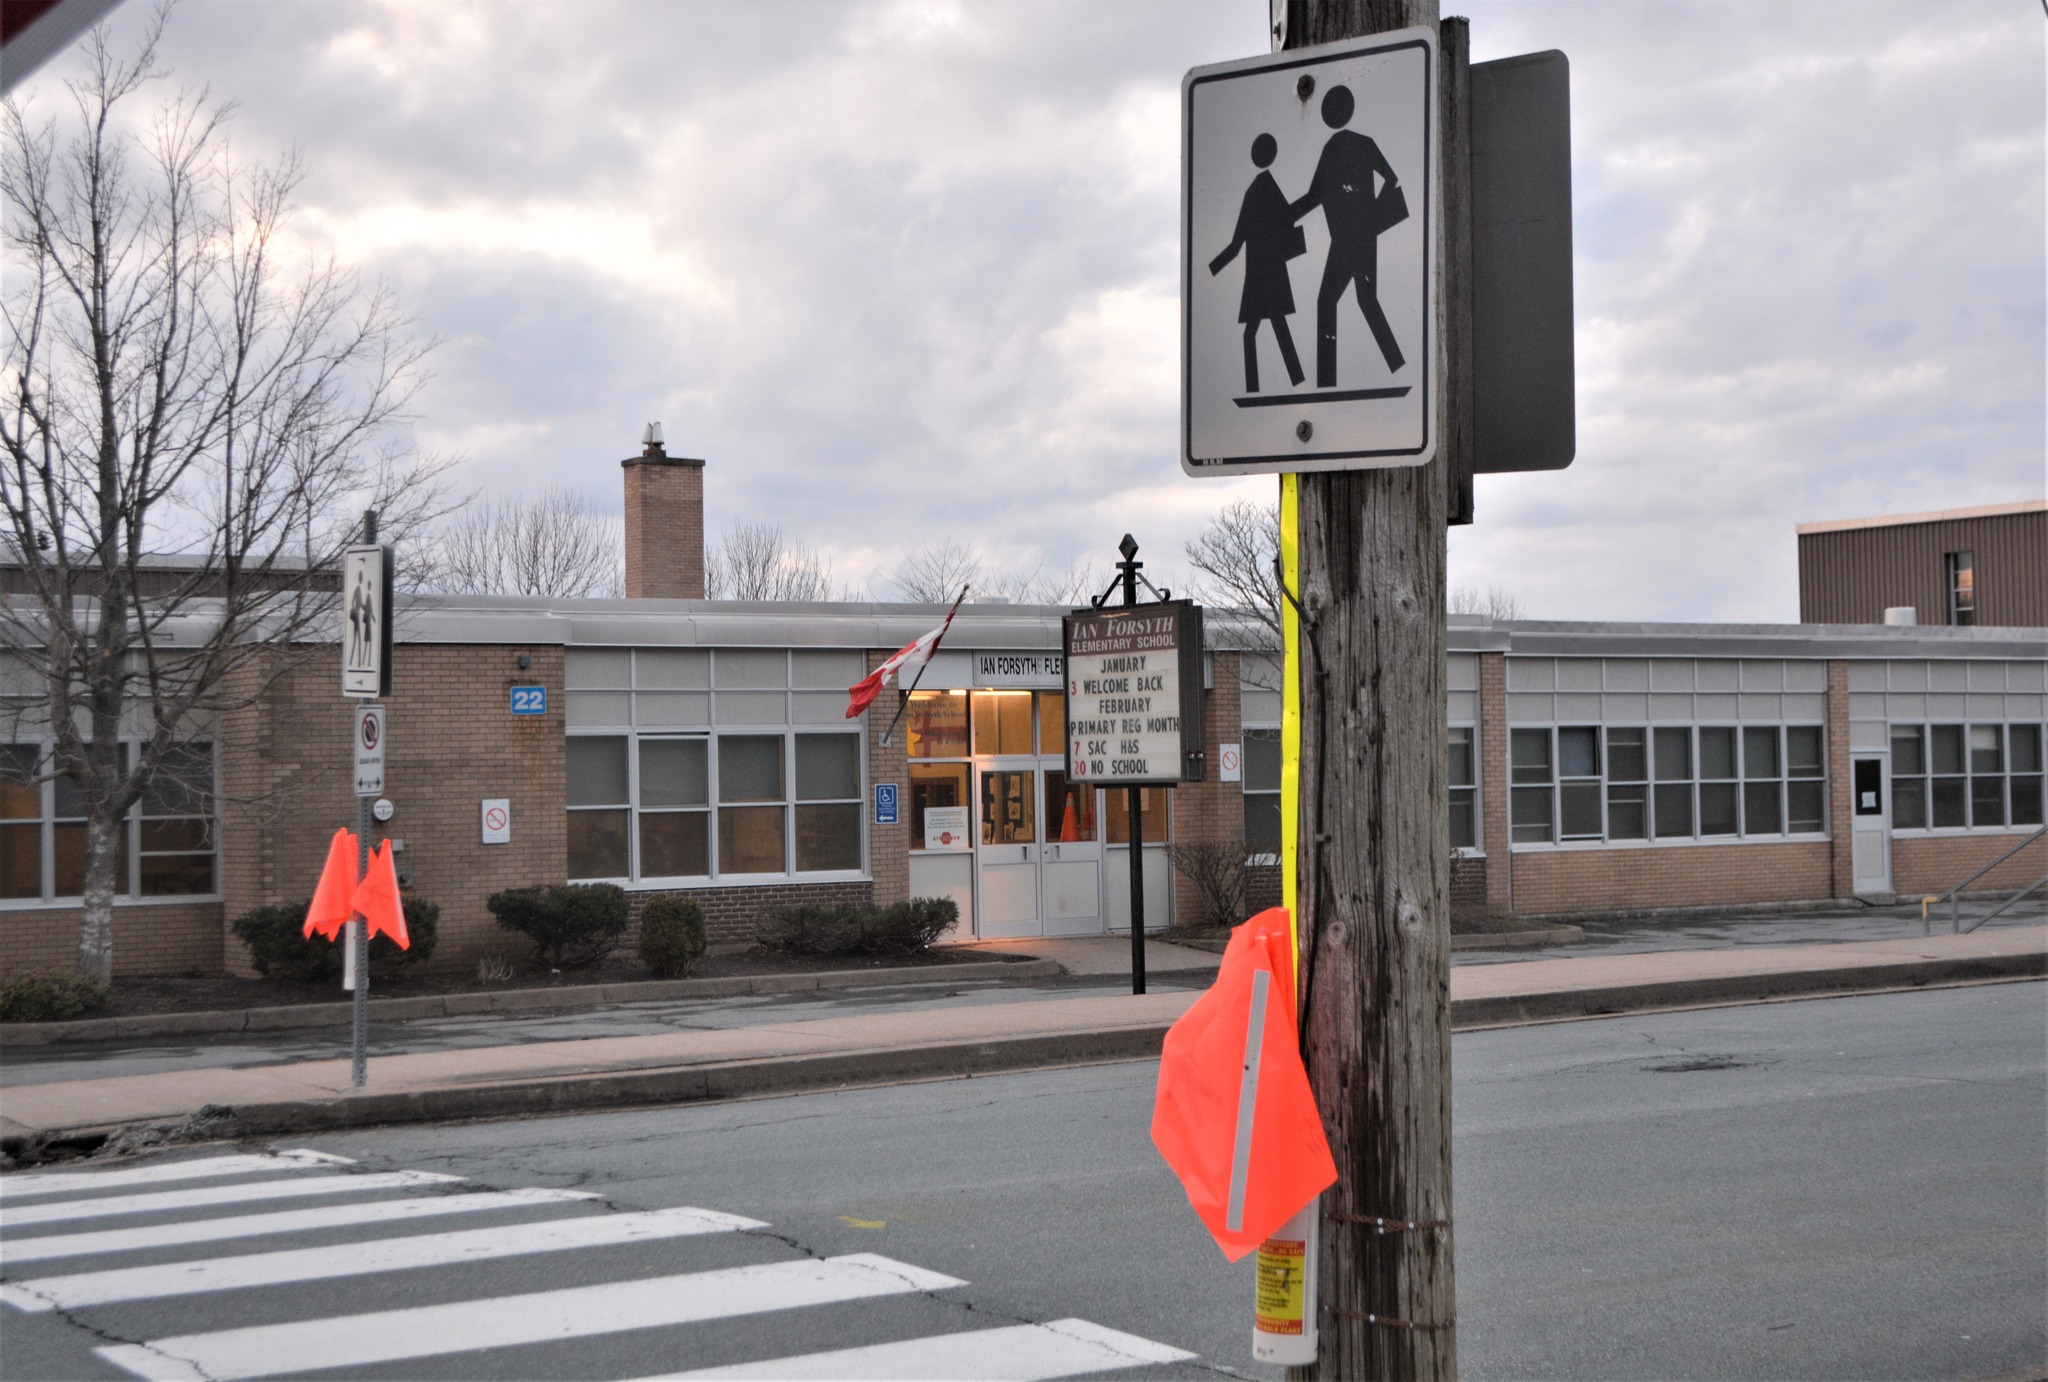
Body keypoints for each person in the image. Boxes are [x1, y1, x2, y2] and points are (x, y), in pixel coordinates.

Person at [1289, 84, 1406, 385]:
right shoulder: (1364, 144)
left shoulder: (1333, 149)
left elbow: (1313, 196)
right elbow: (1392, 181)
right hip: (1362, 240)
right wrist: (1371, 220)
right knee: (1367, 302)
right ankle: (1398, 365)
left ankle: (1327, 382)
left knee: (1327, 302)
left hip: (1345, 242)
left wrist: (1283, 217)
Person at [1209, 133, 1306, 394]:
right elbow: (1286, 218)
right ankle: (1284, 382)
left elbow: (1236, 244)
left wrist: (1213, 268)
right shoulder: (1264, 187)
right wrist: (1210, 270)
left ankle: (1283, 384)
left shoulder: (1257, 189)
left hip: (1262, 275)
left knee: (1262, 331)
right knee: (1269, 329)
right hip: (1266, 274)